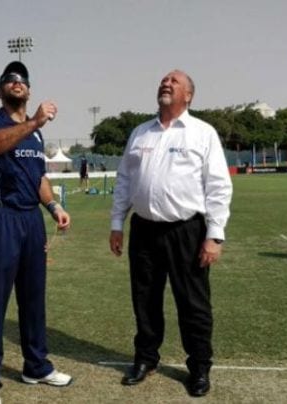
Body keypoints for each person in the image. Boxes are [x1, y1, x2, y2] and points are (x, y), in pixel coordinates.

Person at [109, 69, 232, 397]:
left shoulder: (202, 133)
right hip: (144, 230)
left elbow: (218, 185)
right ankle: (146, 358)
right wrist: (117, 223)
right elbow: (124, 180)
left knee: (193, 303)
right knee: (145, 299)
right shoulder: (140, 133)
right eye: (164, 80)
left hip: (186, 230)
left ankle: (200, 367)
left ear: (188, 95)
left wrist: (214, 235)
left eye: (174, 81)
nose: (166, 83)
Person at [0, 61, 72, 404]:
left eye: (22, 80)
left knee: (33, 298)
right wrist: (33, 122)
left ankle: (36, 366)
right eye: (9, 80)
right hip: (3, 217)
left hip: (32, 219)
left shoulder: (37, 135)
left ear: (29, 91)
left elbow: (39, 177)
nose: (17, 83)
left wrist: (54, 207)